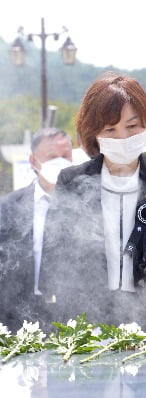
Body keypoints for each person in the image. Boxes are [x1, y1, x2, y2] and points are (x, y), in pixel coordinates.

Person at [40, 72, 146, 329]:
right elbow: (55, 253)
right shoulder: (72, 180)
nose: (122, 138)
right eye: (110, 129)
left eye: (132, 127)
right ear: (94, 135)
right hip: (87, 318)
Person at [0, 128, 73, 332]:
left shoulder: (85, 205)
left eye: (66, 156)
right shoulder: (8, 207)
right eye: (52, 157)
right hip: (16, 316)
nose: (61, 163)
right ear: (33, 161)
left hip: (69, 317)